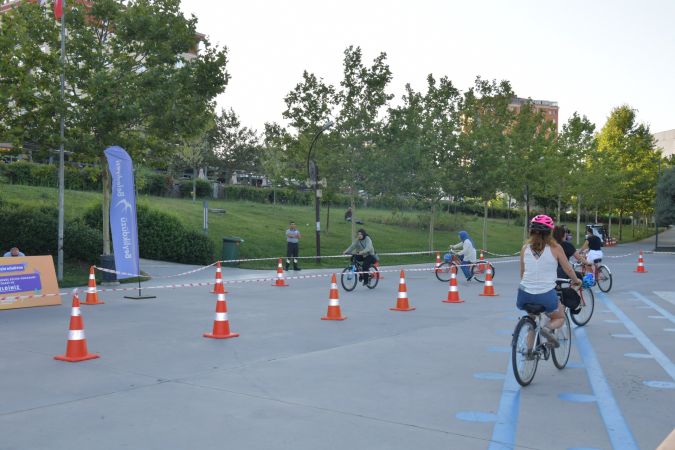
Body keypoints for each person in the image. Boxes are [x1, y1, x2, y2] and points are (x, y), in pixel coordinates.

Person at [518, 215, 581, 348]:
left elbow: (522, 273)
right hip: (545, 294)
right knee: (559, 317)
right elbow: (568, 270)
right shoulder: (556, 248)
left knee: (532, 320)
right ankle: (546, 330)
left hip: (524, 294)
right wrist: (576, 281)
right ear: (550, 232)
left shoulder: (525, 248)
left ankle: (529, 351)